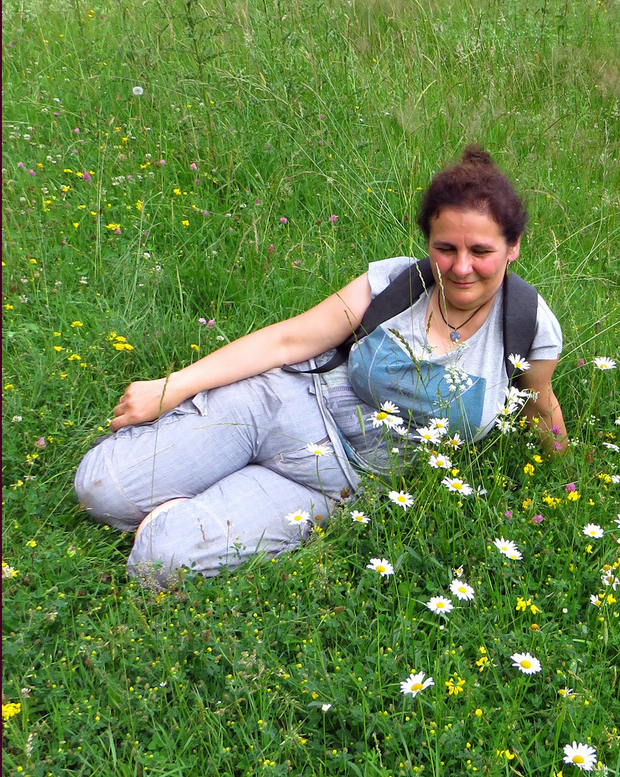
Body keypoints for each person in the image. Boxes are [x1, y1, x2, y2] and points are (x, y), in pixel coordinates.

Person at [74, 148, 567, 586]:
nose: (461, 268)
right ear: (428, 243)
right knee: (98, 491)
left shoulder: (526, 325)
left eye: (481, 251)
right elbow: (287, 339)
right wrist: (170, 387)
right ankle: (189, 483)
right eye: (446, 248)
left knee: (159, 563)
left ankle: (179, 514)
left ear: (513, 247)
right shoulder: (394, 284)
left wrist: (566, 480)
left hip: (331, 480)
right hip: (274, 405)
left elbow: (539, 404)